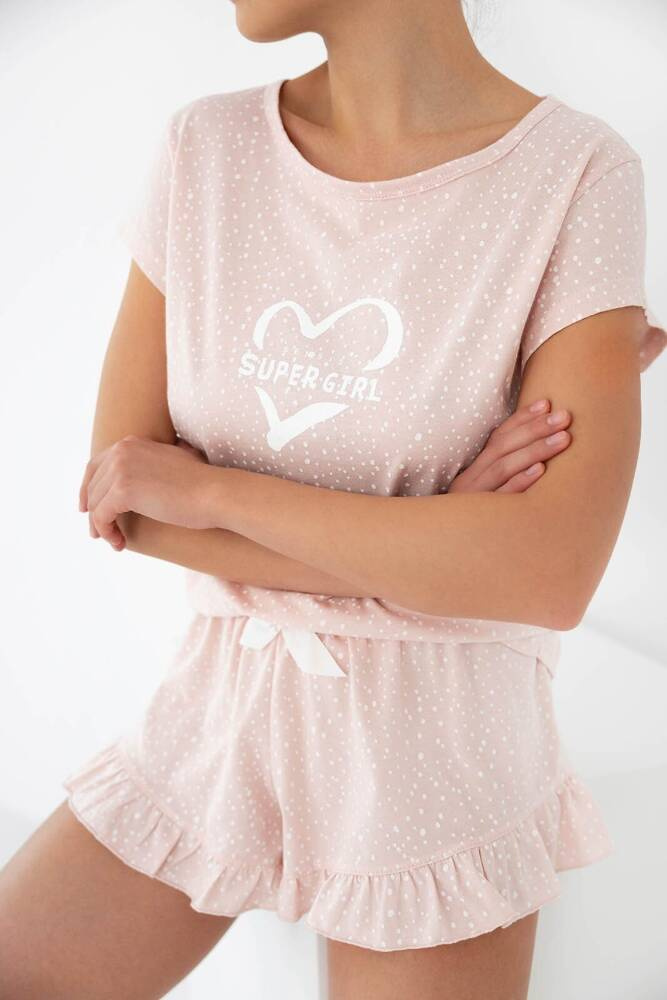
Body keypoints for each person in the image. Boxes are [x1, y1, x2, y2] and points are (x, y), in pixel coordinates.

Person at [1, 0, 665, 997]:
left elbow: (547, 572)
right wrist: (441, 539)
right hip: (214, 721)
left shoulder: (575, 174)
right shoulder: (205, 151)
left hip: (439, 764)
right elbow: (127, 503)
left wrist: (213, 490)